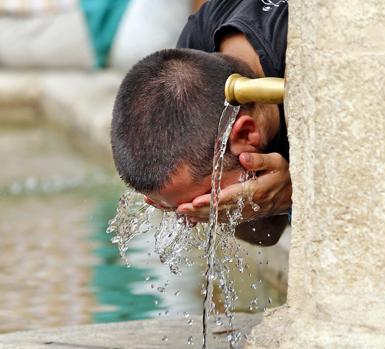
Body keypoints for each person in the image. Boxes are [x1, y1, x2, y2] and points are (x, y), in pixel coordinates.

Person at [110, 0, 291, 245]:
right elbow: (267, 235)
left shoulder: (309, 57)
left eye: (206, 200)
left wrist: (294, 193)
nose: (196, 215)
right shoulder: (195, 55)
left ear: (246, 134)